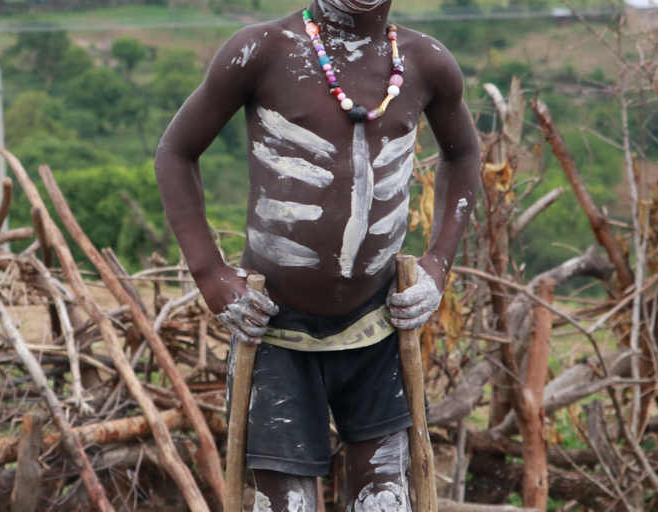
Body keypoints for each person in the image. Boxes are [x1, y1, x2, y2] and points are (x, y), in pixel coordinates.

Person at [155, 0, 480, 506]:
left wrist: (437, 264)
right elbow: (176, 151)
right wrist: (210, 273)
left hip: (378, 323)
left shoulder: (425, 61)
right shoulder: (261, 51)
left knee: (385, 499)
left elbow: (463, 154)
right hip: (274, 326)